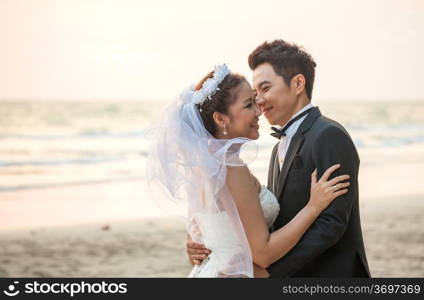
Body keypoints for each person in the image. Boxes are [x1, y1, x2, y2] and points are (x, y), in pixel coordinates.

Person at [187, 40, 371, 278]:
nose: (259, 102)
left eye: (265, 89)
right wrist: (202, 242)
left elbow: (332, 224)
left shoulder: (328, 135)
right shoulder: (276, 150)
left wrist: (271, 273)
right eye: (253, 96)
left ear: (297, 83)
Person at [147, 64, 350, 277]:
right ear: (221, 118)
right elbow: (262, 254)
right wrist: (313, 206)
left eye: (255, 101)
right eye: (248, 105)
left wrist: (195, 244)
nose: (258, 111)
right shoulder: (232, 169)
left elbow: (205, 233)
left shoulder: (202, 166)